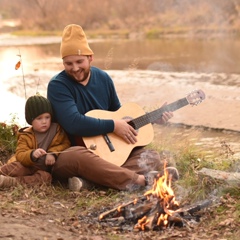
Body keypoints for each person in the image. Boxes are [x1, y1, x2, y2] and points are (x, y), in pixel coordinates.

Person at [47, 24, 179, 192]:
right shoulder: (58, 85)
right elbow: (73, 123)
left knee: (151, 157)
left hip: (106, 153)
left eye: (79, 61)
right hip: (70, 154)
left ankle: (90, 182)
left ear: (90, 58)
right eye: (68, 63)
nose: (74, 68)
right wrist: (114, 125)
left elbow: (120, 116)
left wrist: (153, 120)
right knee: (76, 155)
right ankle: (140, 180)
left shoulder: (103, 78)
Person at [0, 94, 71, 189]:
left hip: (44, 169)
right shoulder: (25, 134)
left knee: (45, 178)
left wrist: (52, 153)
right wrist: (32, 154)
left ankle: (11, 182)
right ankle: (2, 174)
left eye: (47, 117)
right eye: (39, 118)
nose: (44, 121)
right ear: (31, 120)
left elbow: (65, 144)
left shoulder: (57, 130)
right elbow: (20, 154)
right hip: (28, 165)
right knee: (17, 168)